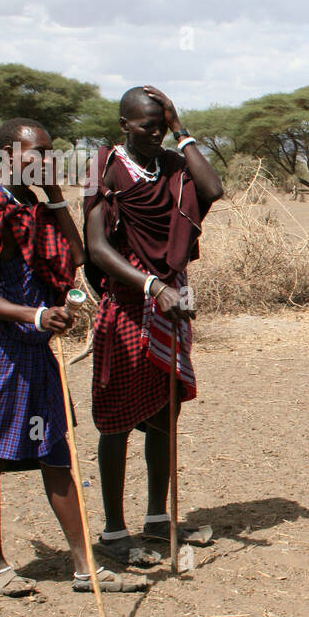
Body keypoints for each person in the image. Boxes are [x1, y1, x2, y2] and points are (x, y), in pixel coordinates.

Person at [0, 119, 145, 595]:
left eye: (49, 154)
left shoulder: (33, 206)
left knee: (55, 453)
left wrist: (57, 197)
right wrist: (37, 315)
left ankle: (86, 569)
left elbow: (80, 256)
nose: (45, 161)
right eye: (36, 153)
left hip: (37, 353)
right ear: (6, 153)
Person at [84, 86, 224, 562]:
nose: (156, 131)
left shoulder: (171, 165)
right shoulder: (105, 169)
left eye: (162, 123)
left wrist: (182, 132)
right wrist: (151, 286)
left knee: (166, 413)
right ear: (124, 124)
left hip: (170, 300)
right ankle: (113, 530)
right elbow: (98, 248)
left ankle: (158, 519)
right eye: (148, 124)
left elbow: (214, 189)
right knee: (117, 418)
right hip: (127, 302)